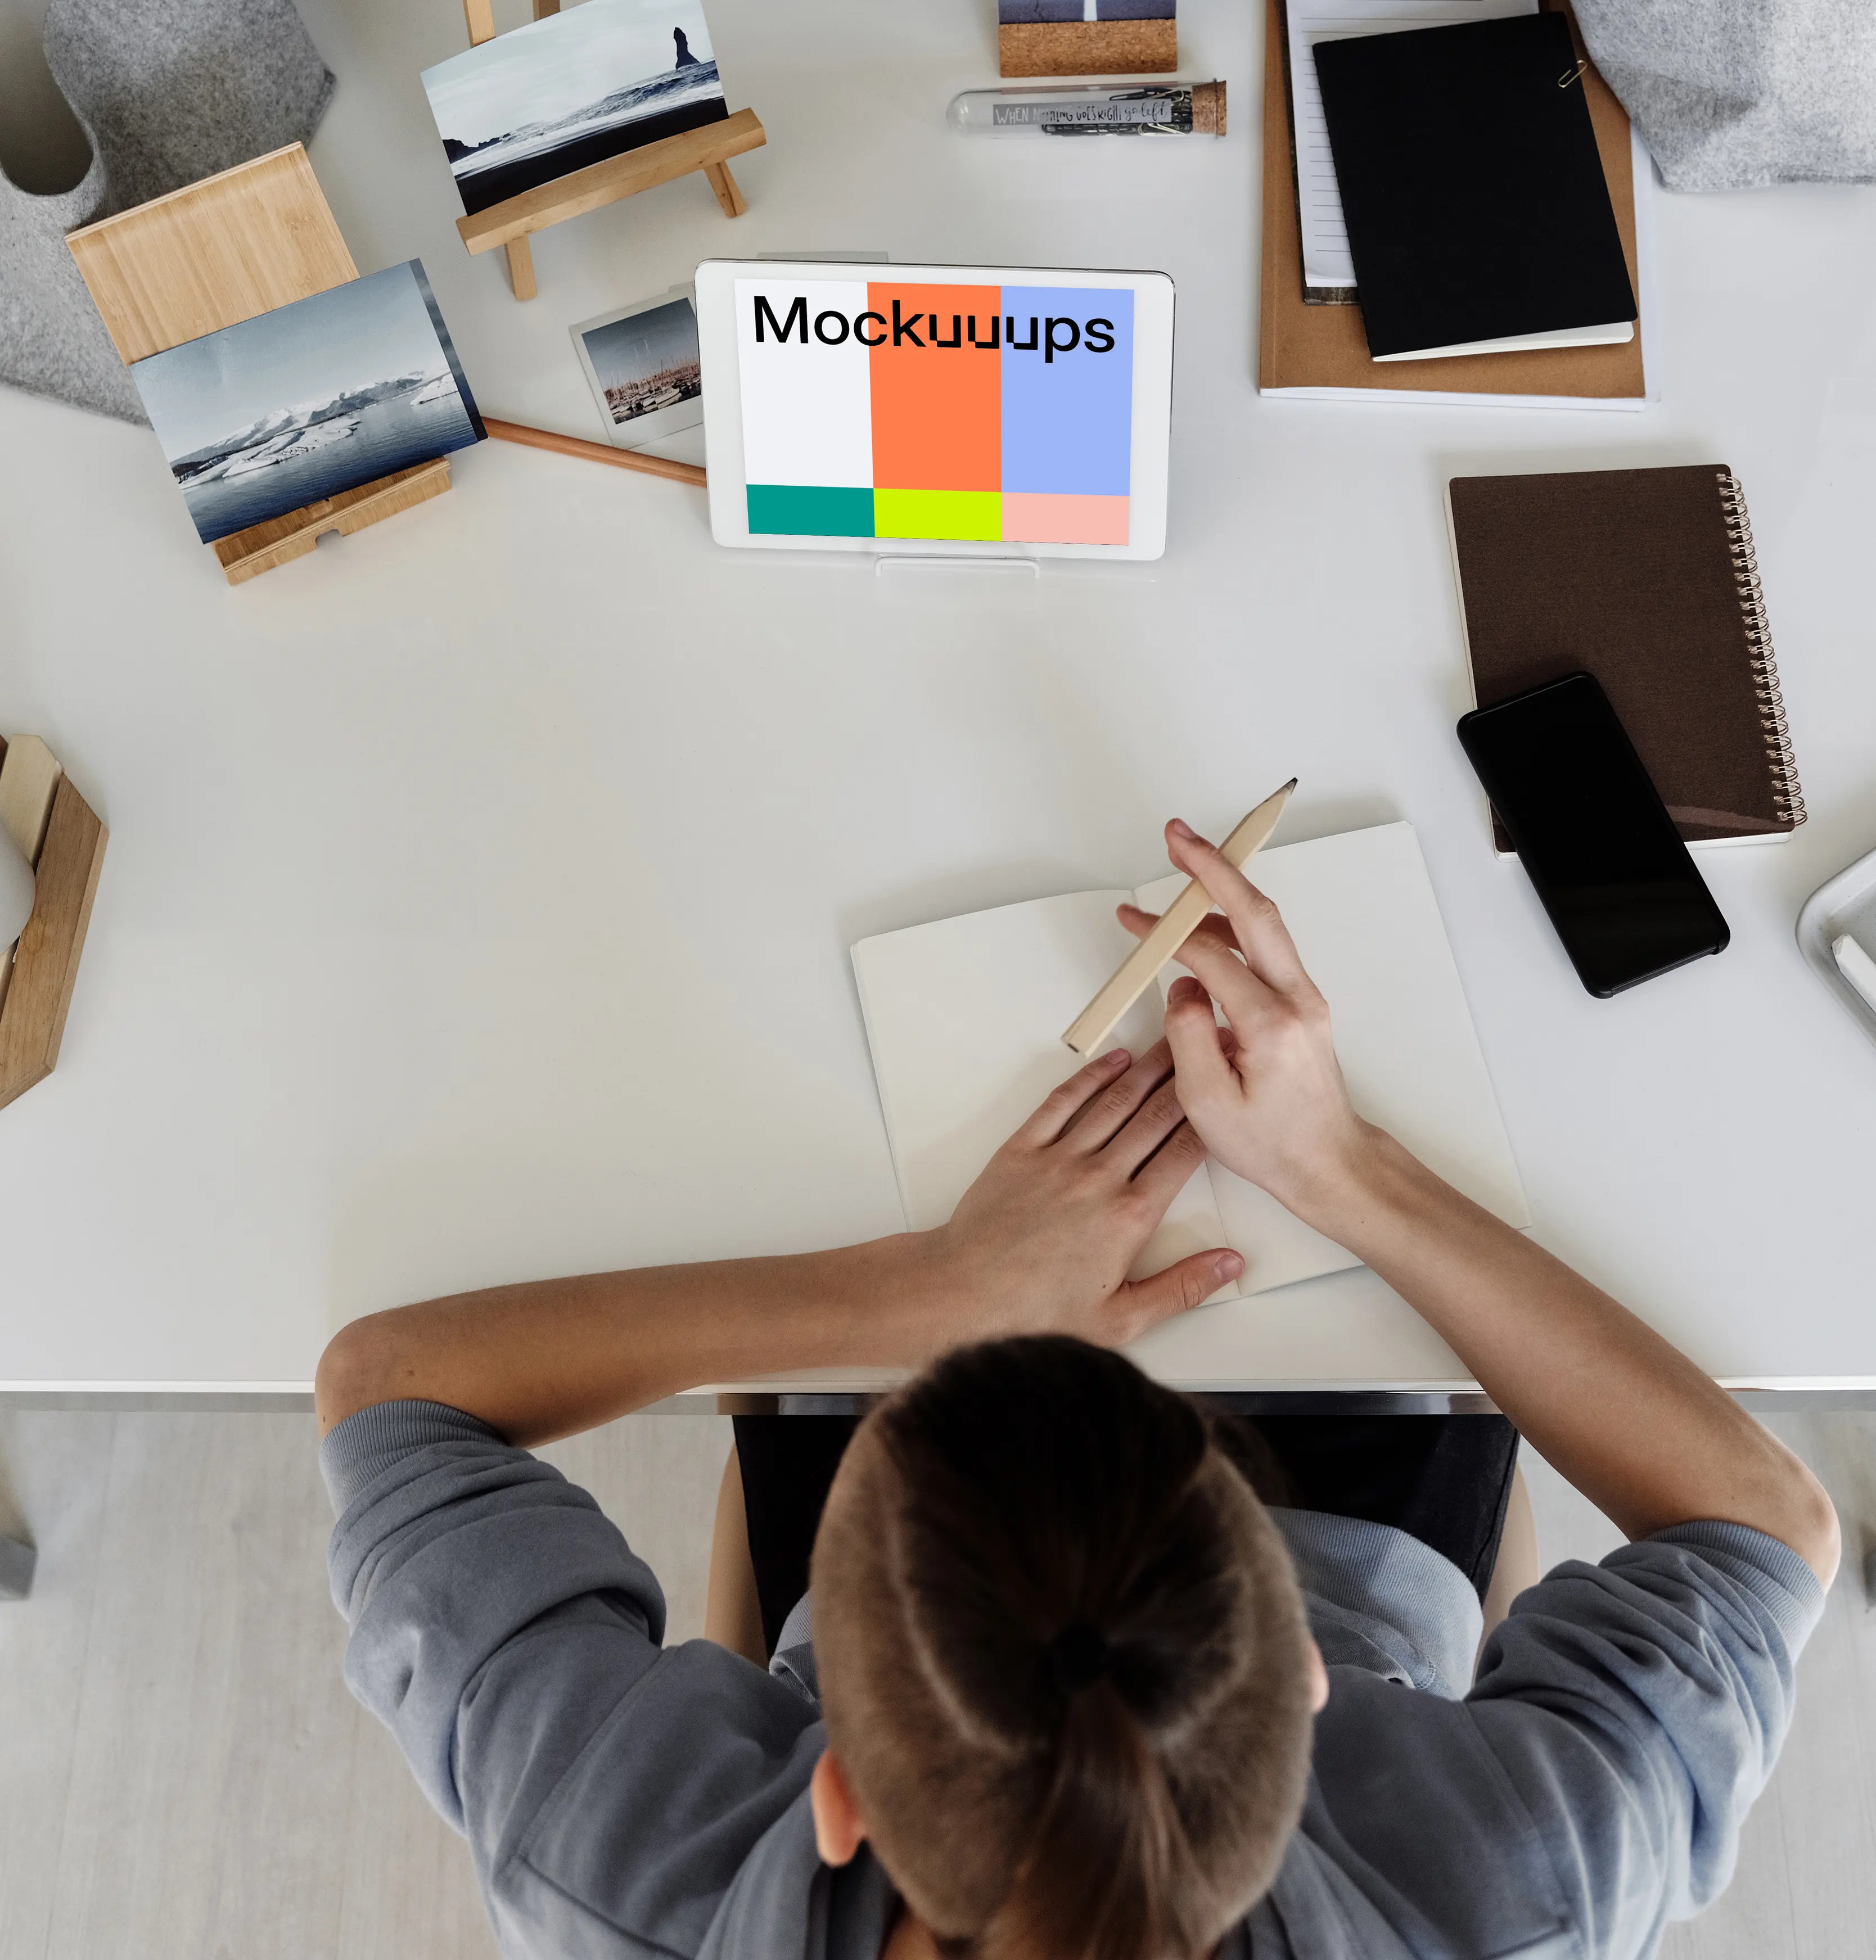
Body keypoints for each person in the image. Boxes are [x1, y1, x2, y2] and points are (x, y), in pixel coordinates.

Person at [315, 818, 1838, 1960]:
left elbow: (392, 1393)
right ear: (1309, 1684)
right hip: (1343, 1542)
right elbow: (1762, 1524)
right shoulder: (1515, 1901)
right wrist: (1339, 1168)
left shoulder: (620, 1875)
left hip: (944, 1464)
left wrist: (922, 1301)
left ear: (837, 1796)